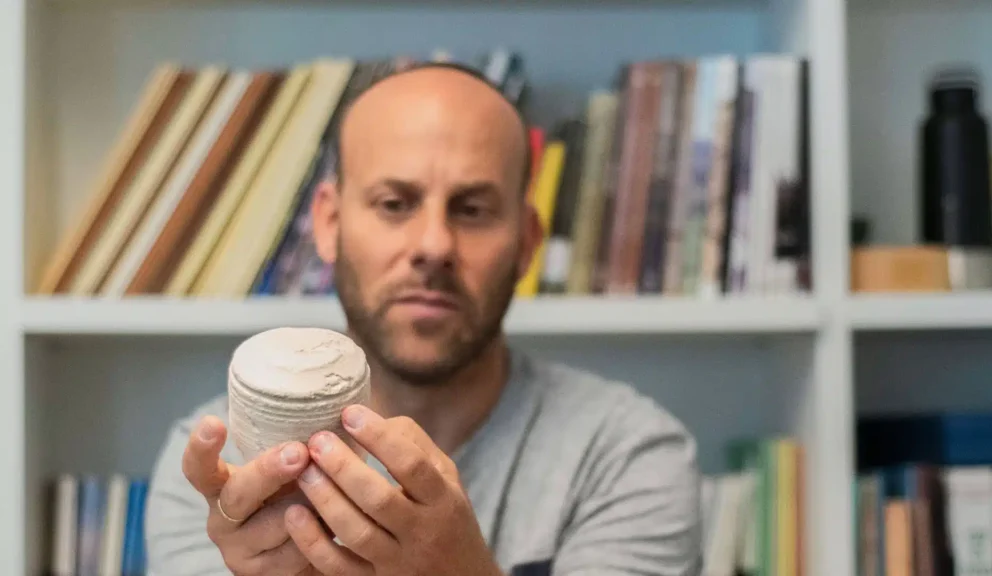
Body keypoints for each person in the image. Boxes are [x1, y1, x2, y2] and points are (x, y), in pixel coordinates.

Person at [145, 61, 703, 576]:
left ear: (527, 242)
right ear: (329, 224)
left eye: (473, 209)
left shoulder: (628, 457)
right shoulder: (216, 473)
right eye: (394, 203)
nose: (434, 245)